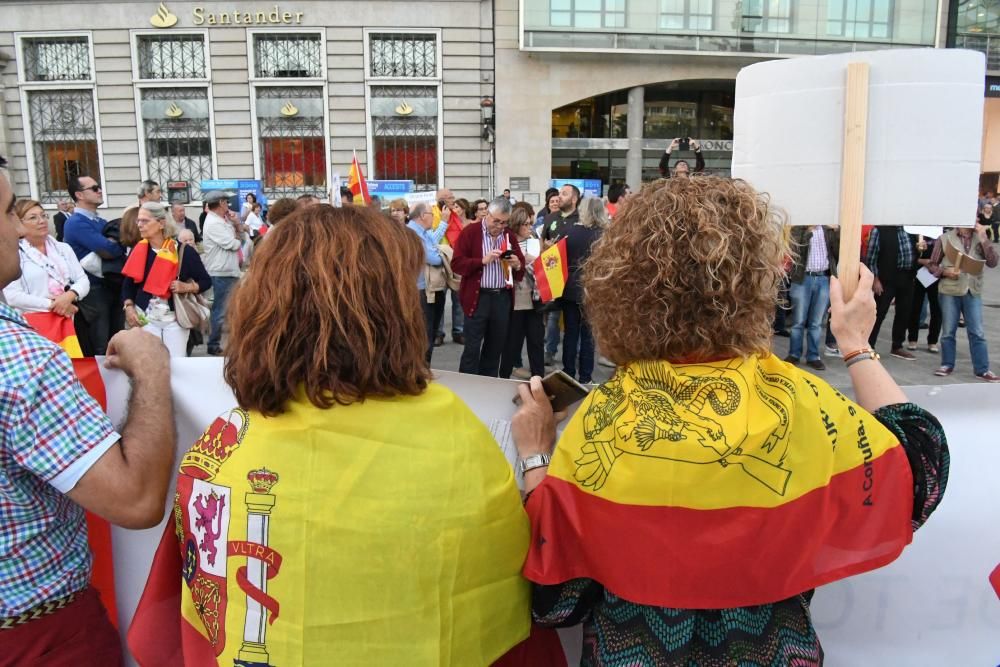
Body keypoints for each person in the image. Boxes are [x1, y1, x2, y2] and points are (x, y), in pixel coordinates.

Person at [511, 176, 949, 666]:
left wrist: (536, 455)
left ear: (620, 286)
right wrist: (855, 344)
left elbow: (556, 598)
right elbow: (920, 467)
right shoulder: (800, 402)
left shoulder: (606, 417)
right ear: (757, 278)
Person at [129, 204, 531, 666]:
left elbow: (184, 614)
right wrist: (537, 459)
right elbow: (508, 577)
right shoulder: (456, 432)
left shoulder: (224, 446)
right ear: (394, 309)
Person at [0, 153, 176, 665]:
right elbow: (137, 500)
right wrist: (151, 371)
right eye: (11, 211)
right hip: (40, 636)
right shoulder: (18, 359)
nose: (19, 227)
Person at [122, 202, 211, 357]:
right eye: (138, 221)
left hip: (175, 319)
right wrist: (129, 307)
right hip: (145, 318)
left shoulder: (184, 251)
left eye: (145, 221)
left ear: (161, 223)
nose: (139, 225)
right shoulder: (138, 250)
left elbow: (205, 281)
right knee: (150, 366)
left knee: (175, 366)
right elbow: (128, 285)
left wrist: (187, 287)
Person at [3, 199, 89, 351]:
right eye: (33, 217)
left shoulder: (63, 248)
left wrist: (69, 295)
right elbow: (13, 296)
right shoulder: (15, 254)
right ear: (19, 223)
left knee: (79, 365)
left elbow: (82, 280)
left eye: (43, 215)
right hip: (35, 324)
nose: (41, 221)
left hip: (71, 319)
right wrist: (54, 305)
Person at [452, 196, 525, 377]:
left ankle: (488, 386)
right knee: (472, 348)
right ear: (487, 214)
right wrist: (482, 261)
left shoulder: (508, 235)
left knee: (494, 348)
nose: (499, 226)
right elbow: (457, 264)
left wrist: (517, 264)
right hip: (478, 298)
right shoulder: (471, 232)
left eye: (504, 223)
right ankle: (466, 389)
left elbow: (520, 268)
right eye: (496, 221)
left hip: (501, 298)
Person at [928, 219, 1000, 381]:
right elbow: (932, 265)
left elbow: (993, 262)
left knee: (977, 332)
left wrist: (983, 237)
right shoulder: (945, 238)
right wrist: (945, 272)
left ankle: (982, 369)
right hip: (949, 290)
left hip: (973, 290)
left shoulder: (980, 237)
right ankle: (947, 364)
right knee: (948, 331)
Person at [63, 175, 125, 355]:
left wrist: (115, 242)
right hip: (93, 291)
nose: (100, 191)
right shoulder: (75, 223)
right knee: (101, 344)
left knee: (117, 341)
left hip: (111, 285)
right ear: (79, 195)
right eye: (94, 188)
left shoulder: (100, 221)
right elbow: (108, 249)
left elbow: (121, 244)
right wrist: (114, 242)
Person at [557, 196, 606, 384]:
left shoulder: (569, 231)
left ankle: (568, 373)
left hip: (570, 287)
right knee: (588, 336)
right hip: (593, 288)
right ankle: (586, 377)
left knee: (570, 333)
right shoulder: (604, 235)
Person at [785, 224, 839, 371]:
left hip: (823, 279)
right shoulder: (798, 228)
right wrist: (808, 231)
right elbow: (795, 250)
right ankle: (794, 354)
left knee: (816, 323)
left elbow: (838, 252)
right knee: (798, 321)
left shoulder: (828, 230)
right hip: (803, 279)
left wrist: (837, 231)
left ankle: (813, 356)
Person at [499, 206, 544, 379]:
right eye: (526, 224)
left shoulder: (533, 240)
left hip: (534, 298)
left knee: (536, 341)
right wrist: (527, 261)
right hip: (515, 300)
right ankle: (504, 376)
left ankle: (538, 378)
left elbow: (539, 266)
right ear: (517, 225)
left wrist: (530, 261)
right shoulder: (507, 242)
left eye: (530, 224)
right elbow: (508, 268)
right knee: (511, 343)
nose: (530, 227)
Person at [202, 190, 248, 356]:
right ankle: (213, 344)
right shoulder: (214, 223)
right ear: (221, 203)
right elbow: (234, 244)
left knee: (228, 309)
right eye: (226, 202)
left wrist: (237, 225)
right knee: (220, 311)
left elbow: (240, 238)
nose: (228, 205)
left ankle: (222, 343)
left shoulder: (222, 220)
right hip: (221, 272)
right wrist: (238, 234)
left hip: (228, 270)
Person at [865, 226, 919, 360]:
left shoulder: (910, 230)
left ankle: (897, 346)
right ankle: (868, 345)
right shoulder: (880, 230)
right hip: (886, 278)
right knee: (879, 313)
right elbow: (871, 257)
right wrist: (875, 279)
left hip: (907, 276)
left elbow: (913, 252)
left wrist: (919, 250)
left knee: (904, 312)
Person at [541, 185, 580, 365]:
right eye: (559, 193)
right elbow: (542, 242)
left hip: (574, 279)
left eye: (564, 194)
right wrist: (546, 248)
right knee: (553, 318)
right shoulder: (550, 218)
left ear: (574, 199)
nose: (559, 197)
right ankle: (549, 351)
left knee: (573, 321)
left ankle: (573, 356)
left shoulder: (581, 219)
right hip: (554, 276)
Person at [406, 202, 448, 362]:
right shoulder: (413, 233)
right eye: (432, 214)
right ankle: (421, 370)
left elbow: (434, 243)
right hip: (421, 291)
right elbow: (435, 258)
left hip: (429, 289)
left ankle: (423, 368)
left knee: (429, 333)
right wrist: (443, 252)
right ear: (423, 216)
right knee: (425, 335)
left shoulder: (423, 232)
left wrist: (443, 222)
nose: (434, 218)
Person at [906, 233, 941, 353]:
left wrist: (938, 267)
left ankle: (933, 341)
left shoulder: (942, 236)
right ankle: (912, 339)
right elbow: (908, 255)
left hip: (937, 275)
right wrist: (922, 261)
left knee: (936, 309)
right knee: (915, 307)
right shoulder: (916, 234)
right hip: (918, 274)